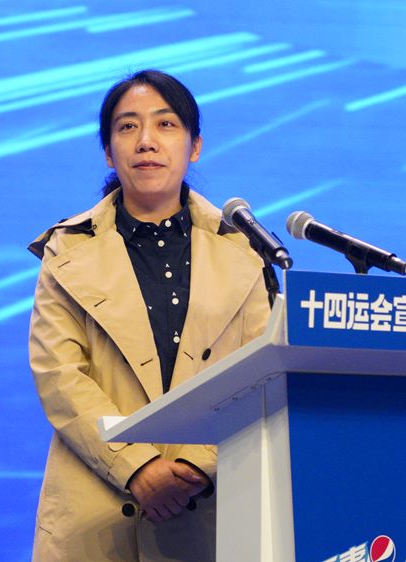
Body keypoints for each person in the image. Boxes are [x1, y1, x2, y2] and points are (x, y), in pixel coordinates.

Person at [26, 70, 271, 561]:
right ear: (108, 151)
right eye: (127, 127)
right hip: (95, 512)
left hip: (211, 508)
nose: (146, 141)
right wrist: (137, 468)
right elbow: (59, 375)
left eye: (165, 124)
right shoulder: (67, 251)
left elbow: (260, 375)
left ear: (194, 145)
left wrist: (197, 467)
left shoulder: (244, 250)